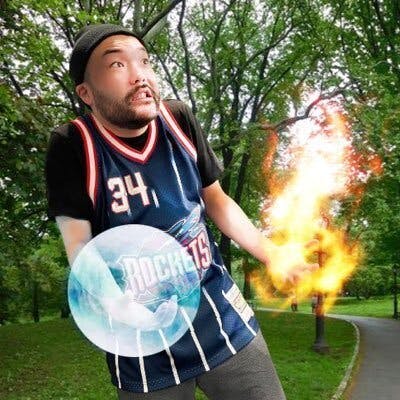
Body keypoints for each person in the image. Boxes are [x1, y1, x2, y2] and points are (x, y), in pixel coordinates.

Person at [46, 23, 316, 400]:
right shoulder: (72, 144)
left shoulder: (178, 119)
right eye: (117, 65)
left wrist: (272, 253)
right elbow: (79, 246)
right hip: (140, 342)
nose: (139, 75)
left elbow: (217, 201)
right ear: (86, 92)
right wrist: (120, 306)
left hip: (221, 317)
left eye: (144, 61)